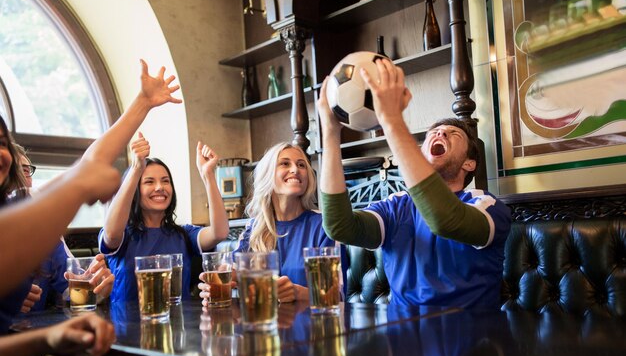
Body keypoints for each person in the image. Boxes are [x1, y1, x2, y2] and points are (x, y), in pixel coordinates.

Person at [0, 59, 181, 356]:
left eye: (2, 142)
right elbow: (81, 176)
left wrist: (142, 103)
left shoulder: (15, 208)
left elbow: (87, 164)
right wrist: (78, 189)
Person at [318, 58, 511, 309]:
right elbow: (339, 227)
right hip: (400, 340)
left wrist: (391, 120)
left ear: (469, 164)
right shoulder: (396, 206)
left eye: (453, 134)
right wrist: (331, 133)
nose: (440, 133)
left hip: (468, 341)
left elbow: (445, 220)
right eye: (433, 133)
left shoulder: (487, 205)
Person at [198, 142, 347, 305]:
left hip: (313, 326)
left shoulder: (325, 225)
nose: (295, 170)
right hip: (263, 325)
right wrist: (216, 285)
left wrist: (297, 292)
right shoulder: (255, 228)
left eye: (301, 165)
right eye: (285, 163)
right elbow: (230, 273)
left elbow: (337, 296)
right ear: (267, 175)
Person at [99, 132, 229, 304]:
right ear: (135, 190)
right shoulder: (122, 235)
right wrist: (136, 169)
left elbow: (219, 233)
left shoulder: (183, 234)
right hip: (128, 328)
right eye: (149, 182)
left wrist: (208, 175)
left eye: (165, 181)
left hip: (178, 326)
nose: (160, 187)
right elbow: (111, 233)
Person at [12, 145, 114, 313]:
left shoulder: (46, 234)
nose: (19, 178)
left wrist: (99, 287)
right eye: (8, 171)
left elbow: (79, 293)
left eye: (25, 170)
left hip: (32, 334)